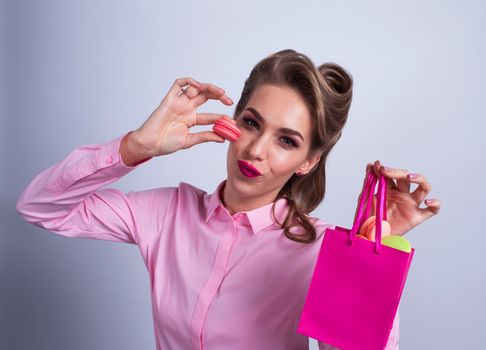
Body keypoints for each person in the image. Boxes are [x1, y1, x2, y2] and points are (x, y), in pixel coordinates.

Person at [16, 49, 440, 349]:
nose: (255, 150)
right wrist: (137, 146)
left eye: (286, 141)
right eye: (252, 122)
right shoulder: (166, 214)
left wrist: (372, 253)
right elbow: (39, 206)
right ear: (232, 120)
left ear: (308, 161)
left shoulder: (320, 251)